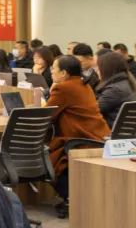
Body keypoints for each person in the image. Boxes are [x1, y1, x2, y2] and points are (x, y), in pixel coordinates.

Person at [47, 56, 110, 207]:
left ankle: (72, 196)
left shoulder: (63, 88)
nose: (51, 71)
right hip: (99, 136)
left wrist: (52, 91)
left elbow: (46, 115)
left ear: (64, 73)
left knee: (49, 156)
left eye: (54, 68)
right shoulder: (83, 84)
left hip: (82, 140)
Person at [94, 51, 136, 127]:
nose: (96, 71)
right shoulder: (128, 82)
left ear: (106, 69)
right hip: (125, 130)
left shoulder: (114, 90)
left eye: (98, 67)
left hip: (111, 130)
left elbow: (92, 111)